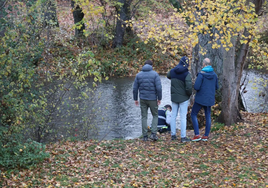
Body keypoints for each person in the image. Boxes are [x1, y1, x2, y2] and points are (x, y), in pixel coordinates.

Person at [133, 60, 162, 141]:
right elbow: (159, 88)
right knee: (155, 115)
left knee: (144, 117)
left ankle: (145, 136)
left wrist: (135, 98)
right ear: (151, 66)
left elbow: (135, 88)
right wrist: (159, 98)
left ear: (144, 65)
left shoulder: (138, 75)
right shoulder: (155, 74)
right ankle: (153, 134)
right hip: (153, 98)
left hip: (142, 98)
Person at [191, 58, 219, 142]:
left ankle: (197, 135)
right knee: (208, 115)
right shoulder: (214, 75)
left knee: (193, 114)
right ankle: (206, 135)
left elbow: (196, 87)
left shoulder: (201, 74)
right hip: (209, 98)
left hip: (200, 98)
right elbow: (217, 87)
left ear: (204, 64)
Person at [167, 56, 192, 143]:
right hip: (183, 98)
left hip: (174, 98)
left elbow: (168, 76)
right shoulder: (186, 73)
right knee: (182, 117)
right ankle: (183, 137)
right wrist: (189, 95)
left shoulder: (173, 71)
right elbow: (189, 87)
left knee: (173, 116)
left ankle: (173, 135)